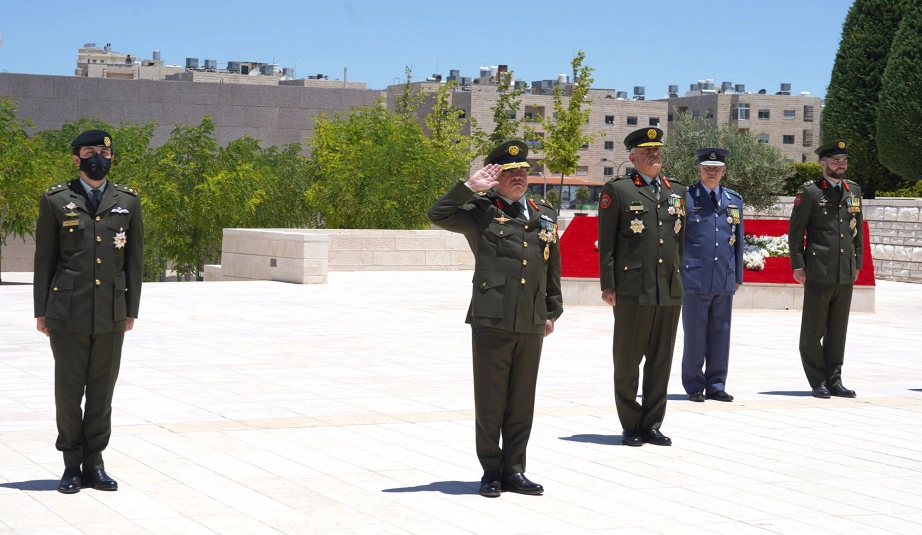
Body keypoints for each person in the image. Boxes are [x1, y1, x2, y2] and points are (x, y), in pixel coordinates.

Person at [427, 140, 562, 497]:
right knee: (491, 399)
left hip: (531, 317)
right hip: (492, 316)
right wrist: (470, 187)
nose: (518, 177)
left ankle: (515, 469)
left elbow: (551, 266)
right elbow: (437, 214)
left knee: (522, 399)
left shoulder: (545, 213)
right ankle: (491, 470)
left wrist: (551, 311)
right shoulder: (481, 210)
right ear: (495, 177)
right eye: (509, 172)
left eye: (522, 171)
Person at [33, 130, 144, 493]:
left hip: (111, 311)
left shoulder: (128, 201)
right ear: (76, 159)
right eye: (90, 151)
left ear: (112, 157)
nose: (98, 157)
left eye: (104, 152)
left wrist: (131, 309)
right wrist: (41, 311)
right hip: (67, 312)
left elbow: (134, 259)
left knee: (102, 393)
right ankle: (71, 465)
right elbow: (44, 259)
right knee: (68, 393)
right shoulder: (56, 199)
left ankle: (94, 465)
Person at [597, 128, 687, 447]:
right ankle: (631, 424)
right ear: (632, 157)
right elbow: (607, 242)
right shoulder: (618, 190)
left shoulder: (677, 191)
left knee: (661, 361)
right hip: (633, 288)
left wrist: (678, 276)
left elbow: (680, 241)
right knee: (628, 360)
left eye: (657, 150)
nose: (654, 155)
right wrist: (609, 284)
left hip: (668, 288)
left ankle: (652, 423)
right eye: (646, 151)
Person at [788, 139, 862, 399]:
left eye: (844, 161)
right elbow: (795, 232)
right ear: (823, 164)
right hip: (819, 269)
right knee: (813, 330)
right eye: (835, 161)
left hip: (845, 269)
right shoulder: (810, 192)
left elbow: (857, 229)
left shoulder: (853, 190)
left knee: (838, 331)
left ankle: (835, 380)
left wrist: (857, 263)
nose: (841, 165)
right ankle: (817, 380)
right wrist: (798, 265)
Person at [681, 148, 743, 403]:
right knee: (695, 334)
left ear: (724, 171)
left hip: (723, 277)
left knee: (721, 333)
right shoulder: (686, 198)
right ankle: (694, 385)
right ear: (699, 169)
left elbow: (738, 240)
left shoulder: (734, 200)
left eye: (716, 169)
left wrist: (737, 275)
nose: (711, 172)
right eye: (707, 168)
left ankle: (716, 384)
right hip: (694, 277)